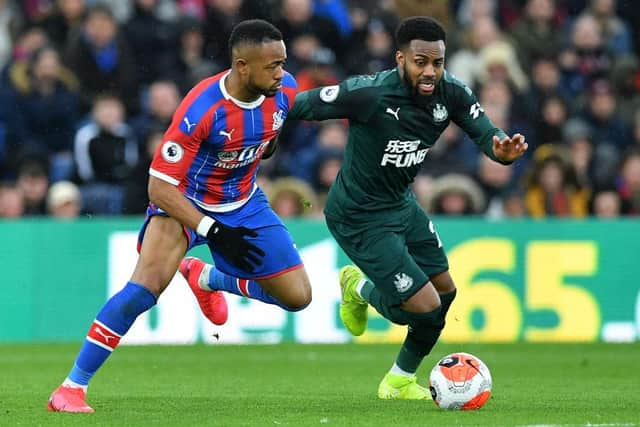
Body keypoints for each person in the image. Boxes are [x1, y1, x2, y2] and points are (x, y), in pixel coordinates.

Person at [47, 19, 312, 413]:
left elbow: (264, 143)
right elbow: (159, 187)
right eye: (272, 65)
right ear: (242, 66)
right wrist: (211, 229)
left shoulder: (284, 90)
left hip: (244, 201)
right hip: (182, 203)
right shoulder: (201, 108)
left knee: (298, 297)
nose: (282, 72)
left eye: (282, 62)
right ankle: (71, 388)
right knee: (143, 289)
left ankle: (206, 277)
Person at [286, 16, 528, 400]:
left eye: (437, 62)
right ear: (400, 58)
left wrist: (500, 148)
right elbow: (298, 106)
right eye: (420, 62)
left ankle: (398, 380)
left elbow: (485, 132)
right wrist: (257, 132)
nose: (430, 71)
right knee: (424, 307)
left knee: (445, 293)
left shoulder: (453, 94)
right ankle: (359, 287)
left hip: (401, 204)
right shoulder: (370, 94)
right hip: (357, 215)